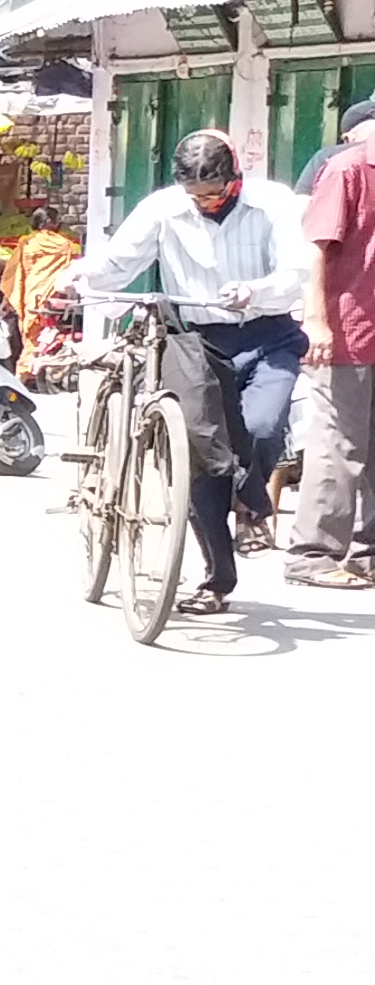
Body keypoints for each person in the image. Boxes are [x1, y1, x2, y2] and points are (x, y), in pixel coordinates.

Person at [74, 127, 314, 614]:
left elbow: (295, 273)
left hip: (268, 333)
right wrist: (78, 276)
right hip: (194, 342)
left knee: (264, 428)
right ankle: (217, 578)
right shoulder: (163, 208)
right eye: (195, 194)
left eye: (215, 192)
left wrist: (257, 290)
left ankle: (251, 503)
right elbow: (119, 262)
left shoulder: (274, 204)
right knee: (202, 456)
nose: (205, 202)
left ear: (235, 179)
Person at [295, 94, 375, 588]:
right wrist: (316, 321)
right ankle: (314, 554)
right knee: (338, 445)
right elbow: (316, 251)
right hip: (347, 328)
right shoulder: (347, 170)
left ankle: (368, 553)